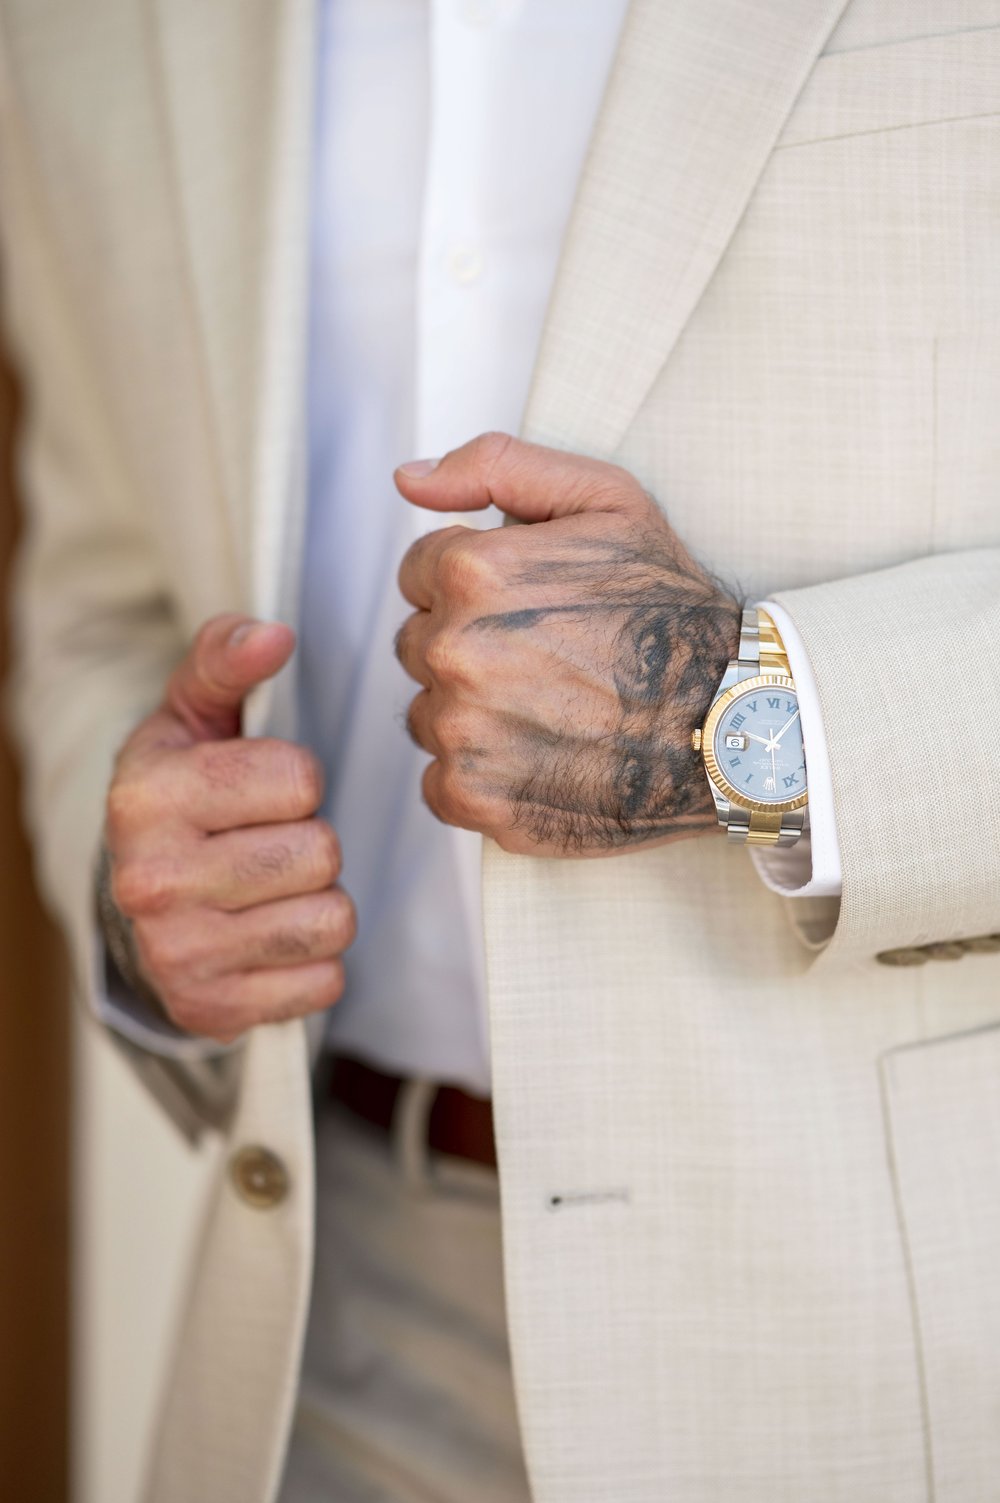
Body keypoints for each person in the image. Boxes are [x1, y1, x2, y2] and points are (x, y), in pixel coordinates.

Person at [3, 1, 1000, 1501]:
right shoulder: (86, 33)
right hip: (337, 1324)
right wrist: (144, 872)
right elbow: (97, 600)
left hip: (905, 1324)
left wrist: (744, 716)